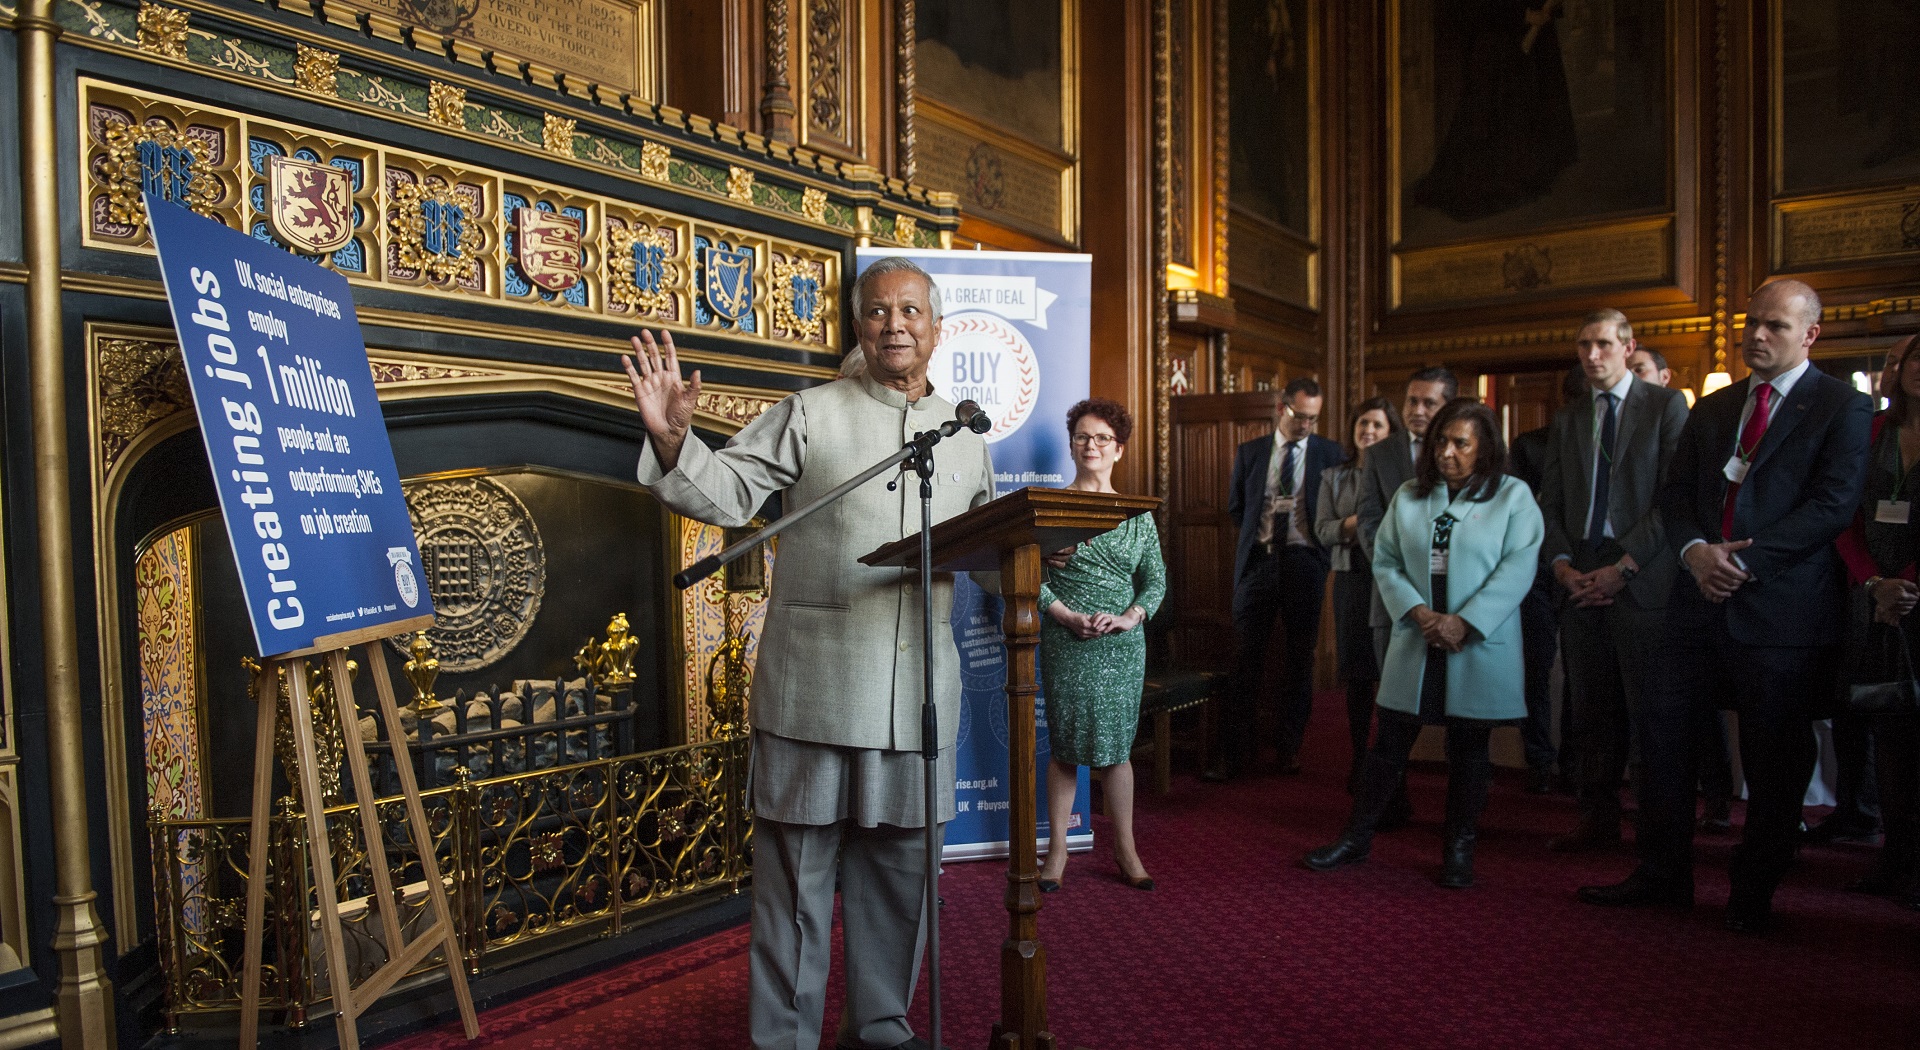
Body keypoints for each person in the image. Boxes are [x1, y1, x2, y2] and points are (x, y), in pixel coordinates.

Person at [624, 256, 995, 1050]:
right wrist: (672, 440)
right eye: (878, 312)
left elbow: (997, 549)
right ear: (858, 325)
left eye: (910, 312)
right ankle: (784, 1040)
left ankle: (882, 1028)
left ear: (936, 326)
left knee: (900, 882)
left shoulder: (967, 433)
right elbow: (722, 494)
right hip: (814, 690)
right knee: (794, 887)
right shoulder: (809, 411)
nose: (895, 325)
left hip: (916, 697)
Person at [1579, 279, 1872, 934]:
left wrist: (1741, 560)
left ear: (1810, 335)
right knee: (1662, 735)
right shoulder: (1714, 409)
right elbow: (1678, 494)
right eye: (1752, 325)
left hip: (1781, 614)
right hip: (1695, 604)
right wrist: (1692, 551)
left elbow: (1832, 507)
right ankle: (1662, 874)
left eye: (1774, 327)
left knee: (1774, 758)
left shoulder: (1841, 408)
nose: (1758, 337)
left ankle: (1753, 890)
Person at [1303, 398, 1545, 888]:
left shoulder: (1512, 496)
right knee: (1388, 743)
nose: (1448, 452)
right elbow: (1386, 559)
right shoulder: (1411, 494)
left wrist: (1466, 622)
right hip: (1416, 635)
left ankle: (1458, 850)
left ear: (1484, 448)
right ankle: (1356, 838)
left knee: (1469, 752)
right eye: (1441, 441)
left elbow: (1518, 566)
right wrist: (1417, 612)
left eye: (1461, 443)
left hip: (1473, 642)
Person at [1540, 310, 1690, 851]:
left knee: (1648, 712)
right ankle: (1596, 818)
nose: (1591, 355)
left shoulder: (1666, 406)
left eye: (1603, 344)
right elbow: (1550, 502)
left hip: (1641, 574)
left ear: (1628, 347)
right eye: (1583, 345)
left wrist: (1624, 567)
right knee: (1591, 709)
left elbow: (1674, 500)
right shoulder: (1570, 417)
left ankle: (1657, 837)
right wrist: (1561, 565)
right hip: (1578, 571)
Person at [1034, 399, 1166, 893]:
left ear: (1120, 449)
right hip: (1065, 636)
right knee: (1066, 747)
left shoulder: (1137, 515)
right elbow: (1028, 575)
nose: (1092, 446)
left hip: (1121, 645)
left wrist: (1131, 618)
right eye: (1083, 437)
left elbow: (1155, 582)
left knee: (1116, 749)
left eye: (1102, 439)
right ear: (1071, 445)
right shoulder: (1049, 508)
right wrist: (1066, 615)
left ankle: (1126, 848)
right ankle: (1058, 852)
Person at [1207, 377, 1345, 781]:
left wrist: (1319, 555)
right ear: (1281, 408)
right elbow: (1237, 508)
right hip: (1260, 563)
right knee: (1246, 656)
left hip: (1306, 563)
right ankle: (1235, 752)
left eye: (1313, 418)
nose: (1305, 425)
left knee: (1299, 659)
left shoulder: (1330, 453)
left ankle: (1289, 747)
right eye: (1300, 416)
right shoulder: (1251, 452)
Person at [1352, 367, 1458, 822]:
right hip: (1393, 596)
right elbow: (1370, 521)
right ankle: (1388, 802)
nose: (1416, 411)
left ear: (1447, 406)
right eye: (1411, 401)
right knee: (1393, 706)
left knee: (1457, 708)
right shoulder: (1381, 453)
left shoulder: (1465, 451)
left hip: (1458, 603)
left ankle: (1458, 813)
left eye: (1428, 403)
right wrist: (1404, 577)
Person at [1837, 333, 1920, 907]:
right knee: (1889, 736)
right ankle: (1896, 858)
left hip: (1915, 600)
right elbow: (1845, 518)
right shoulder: (1872, 430)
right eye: (1915, 358)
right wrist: (1875, 584)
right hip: (1874, 600)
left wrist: (1907, 583)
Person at [1505, 365, 1588, 795]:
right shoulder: (1530, 446)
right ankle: (1540, 758)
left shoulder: (1601, 449)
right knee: (1536, 668)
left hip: (1585, 571)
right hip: (1535, 572)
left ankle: (1569, 763)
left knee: (1579, 673)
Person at [1315, 397, 1404, 793]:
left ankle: (1392, 762)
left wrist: (1352, 526)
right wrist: (1359, 521)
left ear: (1391, 432)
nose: (1368, 431)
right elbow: (1323, 530)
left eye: (1377, 425)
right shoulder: (1334, 477)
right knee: (1357, 672)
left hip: (1395, 579)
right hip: (1352, 578)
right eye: (1362, 424)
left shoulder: (1405, 474)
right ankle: (1357, 758)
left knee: (1392, 672)